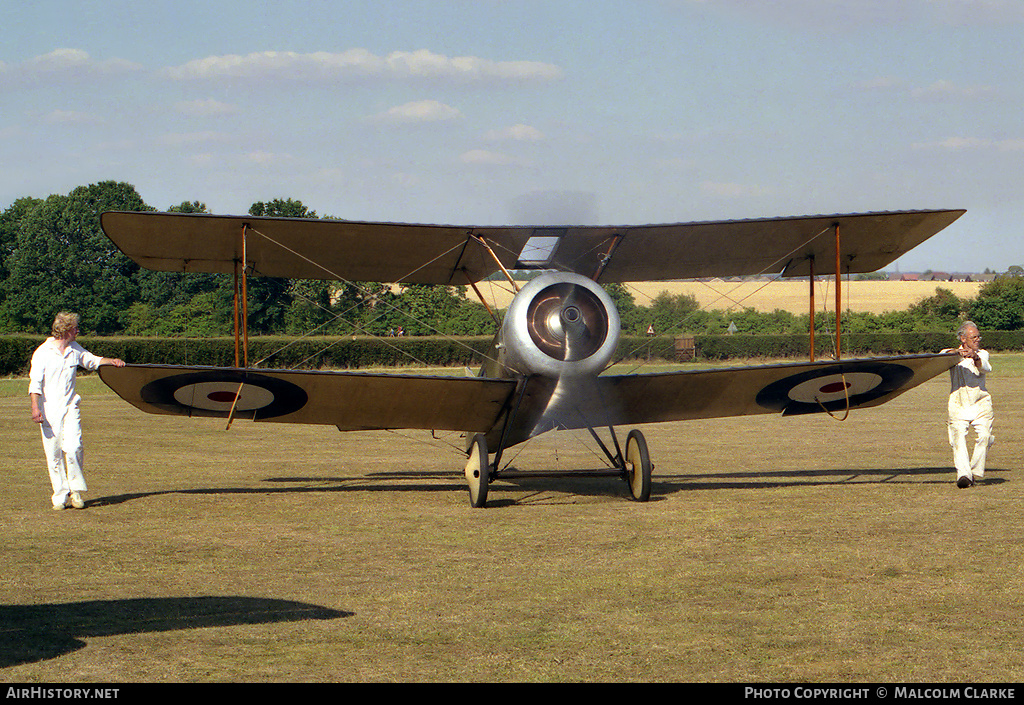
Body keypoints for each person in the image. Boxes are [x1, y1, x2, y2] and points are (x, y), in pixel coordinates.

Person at [28, 312, 125, 510]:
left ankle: (76, 491)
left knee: (74, 447)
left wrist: (112, 361)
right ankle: (60, 495)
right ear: (65, 329)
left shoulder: (74, 349)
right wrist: (35, 407)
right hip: (49, 409)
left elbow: (92, 360)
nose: (78, 331)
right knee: (53, 453)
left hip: (71, 406)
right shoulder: (43, 352)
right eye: (75, 328)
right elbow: (35, 382)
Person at [941, 321, 993, 489]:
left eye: (978, 336)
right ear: (963, 338)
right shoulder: (951, 355)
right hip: (958, 403)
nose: (977, 340)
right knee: (958, 439)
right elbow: (941, 355)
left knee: (985, 436)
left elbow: (985, 367)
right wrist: (957, 353)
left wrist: (974, 356)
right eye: (973, 337)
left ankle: (975, 471)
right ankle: (963, 475)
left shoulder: (983, 353)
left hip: (981, 402)